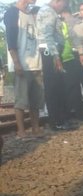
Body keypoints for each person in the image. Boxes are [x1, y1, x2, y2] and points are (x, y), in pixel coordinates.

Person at [4, 0, 44, 138]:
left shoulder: (32, 14)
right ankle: (21, 131)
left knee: (36, 100)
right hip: (22, 62)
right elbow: (11, 39)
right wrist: (16, 62)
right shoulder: (12, 13)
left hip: (36, 63)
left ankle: (35, 128)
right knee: (21, 100)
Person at [37, 0, 75, 131]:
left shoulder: (49, 11)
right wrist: (56, 56)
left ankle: (59, 119)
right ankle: (57, 121)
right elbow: (48, 36)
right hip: (50, 54)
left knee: (57, 87)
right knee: (54, 88)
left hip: (51, 53)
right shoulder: (48, 12)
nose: (65, 7)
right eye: (65, 4)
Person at [59, 7, 83, 120]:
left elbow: (74, 40)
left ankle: (75, 111)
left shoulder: (64, 24)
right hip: (68, 57)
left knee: (72, 86)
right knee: (74, 86)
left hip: (69, 57)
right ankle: (77, 111)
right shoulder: (77, 21)